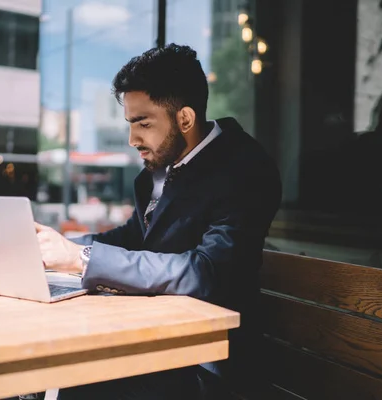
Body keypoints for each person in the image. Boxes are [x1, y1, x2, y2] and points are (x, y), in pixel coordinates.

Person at [35, 43, 282, 400]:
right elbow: (135, 235)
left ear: (184, 119)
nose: (133, 139)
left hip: (209, 361)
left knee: (74, 375)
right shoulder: (160, 170)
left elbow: (207, 271)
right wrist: (63, 247)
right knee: (53, 367)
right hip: (158, 338)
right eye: (130, 124)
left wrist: (83, 259)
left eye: (143, 123)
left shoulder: (245, 170)